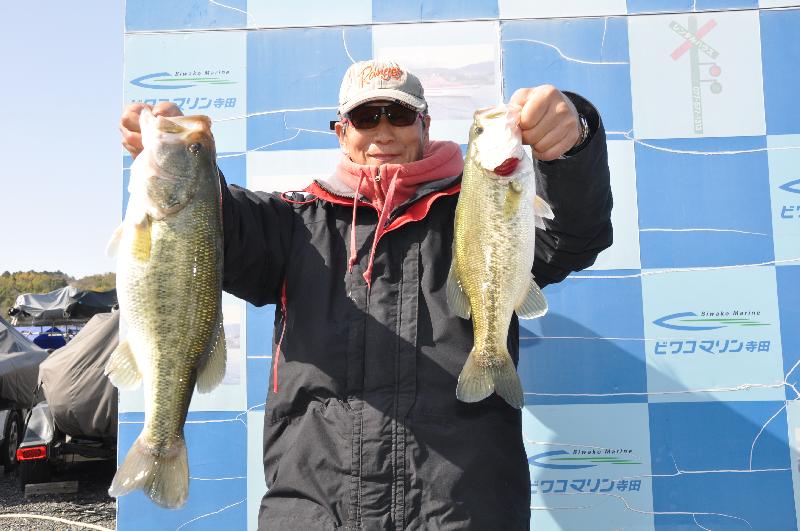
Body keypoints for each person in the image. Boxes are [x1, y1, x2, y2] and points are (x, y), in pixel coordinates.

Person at [120, 59, 613, 530]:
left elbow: (574, 236)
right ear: (342, 132)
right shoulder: (292, 224)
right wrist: (178, 152)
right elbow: (205, 227)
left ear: (425, 125)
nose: (383, 132)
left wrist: (574, 142)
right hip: (312, 516)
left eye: (398, 114)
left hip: (465, 515)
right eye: (364, 117)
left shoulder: (478, 211)